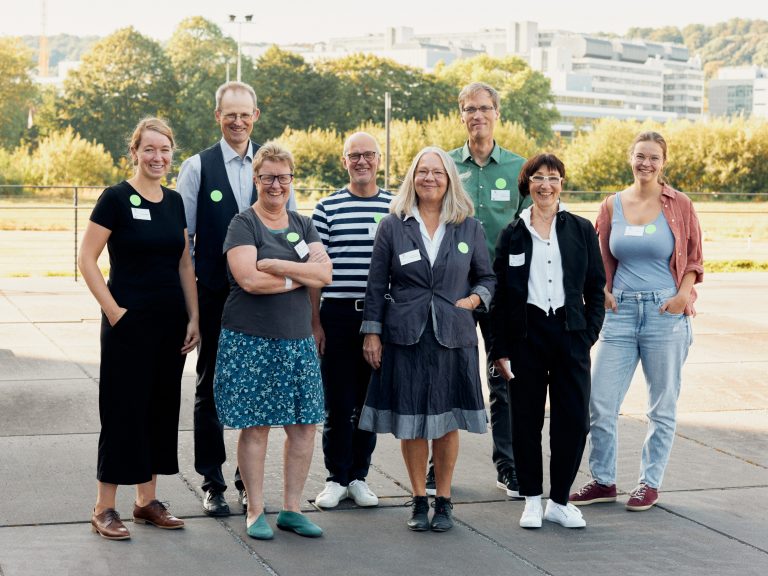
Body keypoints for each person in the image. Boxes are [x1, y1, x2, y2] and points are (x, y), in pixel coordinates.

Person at [360, 146, 495, 532]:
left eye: (438, 172)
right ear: (412, 178)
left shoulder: (469, 225)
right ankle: (420, 499)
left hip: (454, 334)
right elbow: (375, 284)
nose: (430, 178)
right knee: (411, 419)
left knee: (447, 419)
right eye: (423, 172)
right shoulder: (393, 224)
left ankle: (445, 499)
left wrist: (473, 300)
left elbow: (487, 278)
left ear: (449, 178)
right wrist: (372, 332)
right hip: (405, 335)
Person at [177, 81, 296, 516]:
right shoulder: (196, 168)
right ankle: (213, 480)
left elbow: (289, 232)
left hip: (261, 297)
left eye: (245, 114)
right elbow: (184, 243)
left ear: (256, 115)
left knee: (258, 389)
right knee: (208, 386)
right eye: (230, 114)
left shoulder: (274, 164)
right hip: (213, 294)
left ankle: (250, 483)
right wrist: (190, 308)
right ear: (218, 117)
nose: (238, 121)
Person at [78, 117, 200, 540]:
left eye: (165, 150)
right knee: (122, 410)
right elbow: (86, 260)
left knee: (159, 409)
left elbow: (185, 262)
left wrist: (194, 317)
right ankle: (104, 507)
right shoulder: (114, 198)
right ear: (134, 152)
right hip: (127, 325)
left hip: (170, 325)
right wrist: (113, 311)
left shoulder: (174, 201)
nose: (158, 157)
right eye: (149, 149)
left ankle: (146, 502)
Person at [570, 131, 703, 512]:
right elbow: (597, 260)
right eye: (640, 156)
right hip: (621, 313)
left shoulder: (679, 204)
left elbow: (694, 258)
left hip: (665, 313)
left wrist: (681, 297)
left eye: (654, 158)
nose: (646, 163)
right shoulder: (612, 204)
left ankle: (649, 483)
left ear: (664, 163)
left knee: (661, 406)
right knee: (600, 402)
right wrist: (604, 291)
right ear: (631, 158)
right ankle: (604, 480)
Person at [213, 143, 332, 540]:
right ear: (256, 179)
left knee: (303, 426)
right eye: (268, 177)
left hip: (297, 341)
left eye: (283, 177)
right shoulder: (243, 224)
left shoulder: (303, 223)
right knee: (257, 426)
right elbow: (248, 279)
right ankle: (256, 510)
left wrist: (280, 266)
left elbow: (326, 275)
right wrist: (302, 274)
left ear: (292, 179)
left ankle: (293, 510)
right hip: (251, 341)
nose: (276, 185)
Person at [489, 154, 605, 529]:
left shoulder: (581, 229)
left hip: (570, 334)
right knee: (524, 420)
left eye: (552, 178)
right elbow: (501, 298)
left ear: (561, 184)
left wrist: (587, 335)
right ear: (527, 185)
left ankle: (559, 500)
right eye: (537, 178)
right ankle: (532, 499)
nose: (545, 185)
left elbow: (595, 289)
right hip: (527, 336)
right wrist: (499, 350)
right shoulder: (512, 234)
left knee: (573, 420)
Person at [438, 81, 529, 499]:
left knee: (504, 379)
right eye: (470, 109)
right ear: (461, 115)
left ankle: (508, 467)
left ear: (497, 114)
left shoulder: (517, 168)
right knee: (445, 377)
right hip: (453, 289)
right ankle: (436, 470)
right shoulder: (443, 165)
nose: (478, 115)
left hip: (502, 292)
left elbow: (532, 231)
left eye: (485, 108)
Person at [310, 132, 394, 509]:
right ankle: (336, 477)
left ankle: (359, 476)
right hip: (338, 315)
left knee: (367, 402)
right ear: (344, 161)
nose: (362, 161)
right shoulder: (327, 208)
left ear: (379, 160)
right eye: (354, 155)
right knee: (337, 403)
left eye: (368, 155)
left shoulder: (396, 207)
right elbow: (315, 272)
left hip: (378, 316)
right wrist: (315, 322)